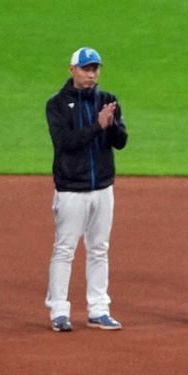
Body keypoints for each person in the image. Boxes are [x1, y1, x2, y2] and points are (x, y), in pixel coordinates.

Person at [45, 47, 128, 332]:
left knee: (99, 249)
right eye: (86, 69)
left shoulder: (108, 100)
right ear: (72, 70)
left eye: (95, 69)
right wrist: (98, 125)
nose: (91, 74)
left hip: (103, 188)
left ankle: (99, 309)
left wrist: (111, 124)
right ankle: (58, 310)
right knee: (65, 249)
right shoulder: (56, 104)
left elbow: (121, 141)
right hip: (71, 189)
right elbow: (65, 142)